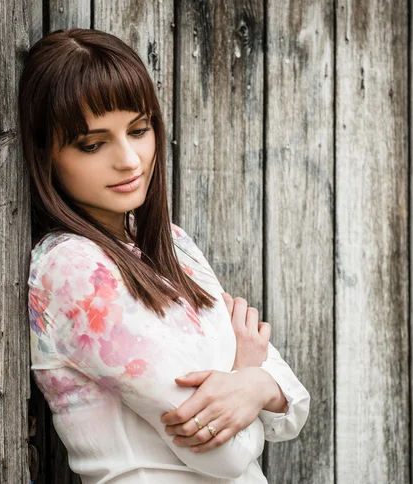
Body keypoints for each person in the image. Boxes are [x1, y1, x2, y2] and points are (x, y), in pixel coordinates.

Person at [19, 27, 310, 483]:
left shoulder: (173, 245)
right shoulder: (71, 269)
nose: (130, 160)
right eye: (92, 144)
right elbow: (228, 456)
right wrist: (250, 371)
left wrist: (252, 385)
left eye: (139, 130)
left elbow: (295, 408)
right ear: (45, 155)